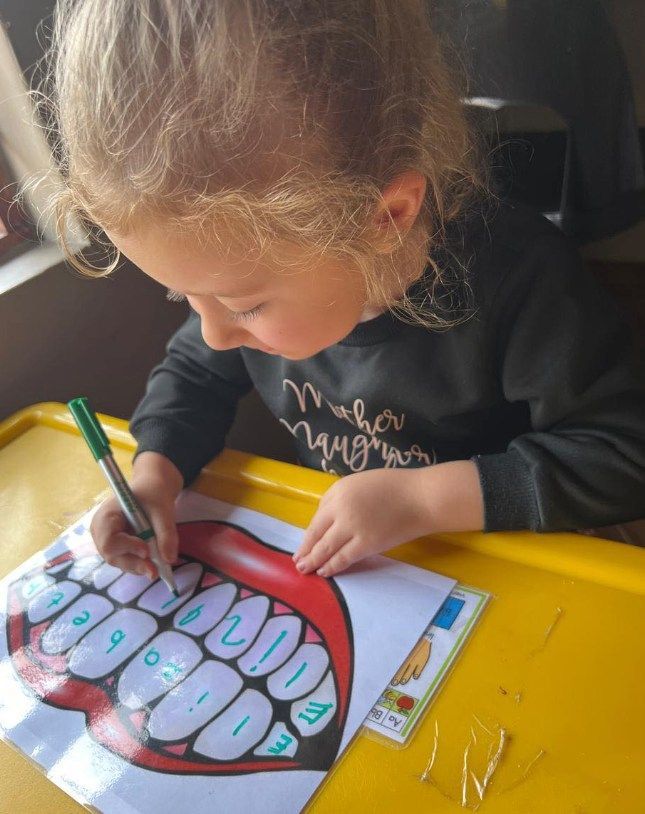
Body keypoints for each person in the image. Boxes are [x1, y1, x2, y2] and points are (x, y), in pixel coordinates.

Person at [42, 0, 645, 580]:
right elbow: (194, 375)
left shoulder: (524, 284)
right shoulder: (240, 289)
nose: (213, 334)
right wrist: (155, 475)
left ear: (382, 219)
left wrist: (425, 500)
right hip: (381, 573)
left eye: (243, 306)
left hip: (514, 566)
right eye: (183, 297)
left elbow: (624, 456)